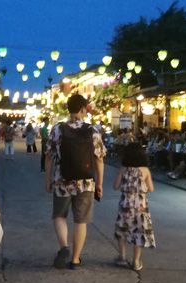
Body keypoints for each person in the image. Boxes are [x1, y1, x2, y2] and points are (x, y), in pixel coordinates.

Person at [45, 94, 106, 270]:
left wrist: (48, 179)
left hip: (62, 180)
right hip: (86, 182)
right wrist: (99, 183)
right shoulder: (93, 131)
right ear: (82, 109)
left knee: (59, 215)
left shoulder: (57, 129)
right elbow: (99, 159)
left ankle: (64, 247)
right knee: (81, 220)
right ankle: (76, 260)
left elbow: (49, 156)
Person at [113, 142, 156, 271]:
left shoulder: (123, 169)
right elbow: (151, 189)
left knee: (122, 230)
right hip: (141, 205)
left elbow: (115, 187)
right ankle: (136, 262)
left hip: (126, 203)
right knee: (139, 231)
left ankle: (122, 257)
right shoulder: (145, 170)